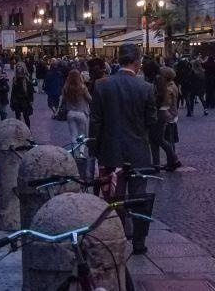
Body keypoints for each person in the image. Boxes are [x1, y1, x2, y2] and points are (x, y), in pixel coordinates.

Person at [89, 45, 157, 255]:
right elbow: (151, 121)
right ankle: (139, 242)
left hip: (111, 151)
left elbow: (96, 122)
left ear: (119, 60)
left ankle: (117, 236)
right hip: (138, 152)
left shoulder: (102, 86)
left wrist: (95, 150)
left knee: (114, 198)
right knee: (139, 197)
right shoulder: (145, 88)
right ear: (137, 62)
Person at [150, 66, 182, 171]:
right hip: (170, 115)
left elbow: (165, 104)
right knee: (160, 139)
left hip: (165, 115)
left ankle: (173, 160)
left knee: (160, 139)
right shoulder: (172, 85)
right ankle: (160, 163)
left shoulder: (168, 88)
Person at [62, 69, 93, 176]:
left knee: (73, 135)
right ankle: (81, 152)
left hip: (70, 113)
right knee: (82, 134)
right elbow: (90, 99)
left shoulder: (66, 88)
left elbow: (64, 100)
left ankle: (75, 153)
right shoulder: (82, 88)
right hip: (82, 113)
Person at [11, 62, 35, 127]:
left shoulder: (27, 78)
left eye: (20, 66)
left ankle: (28, 131)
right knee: (18, 117)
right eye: (17, 66)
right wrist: (12, 101)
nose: (18, 68)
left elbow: (30, 91)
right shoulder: (15, 79)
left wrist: (31, 100)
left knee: (26, 116)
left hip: (25, 100)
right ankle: (19, 131)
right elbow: (13, 91)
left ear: (23, 68)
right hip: (16, 100)